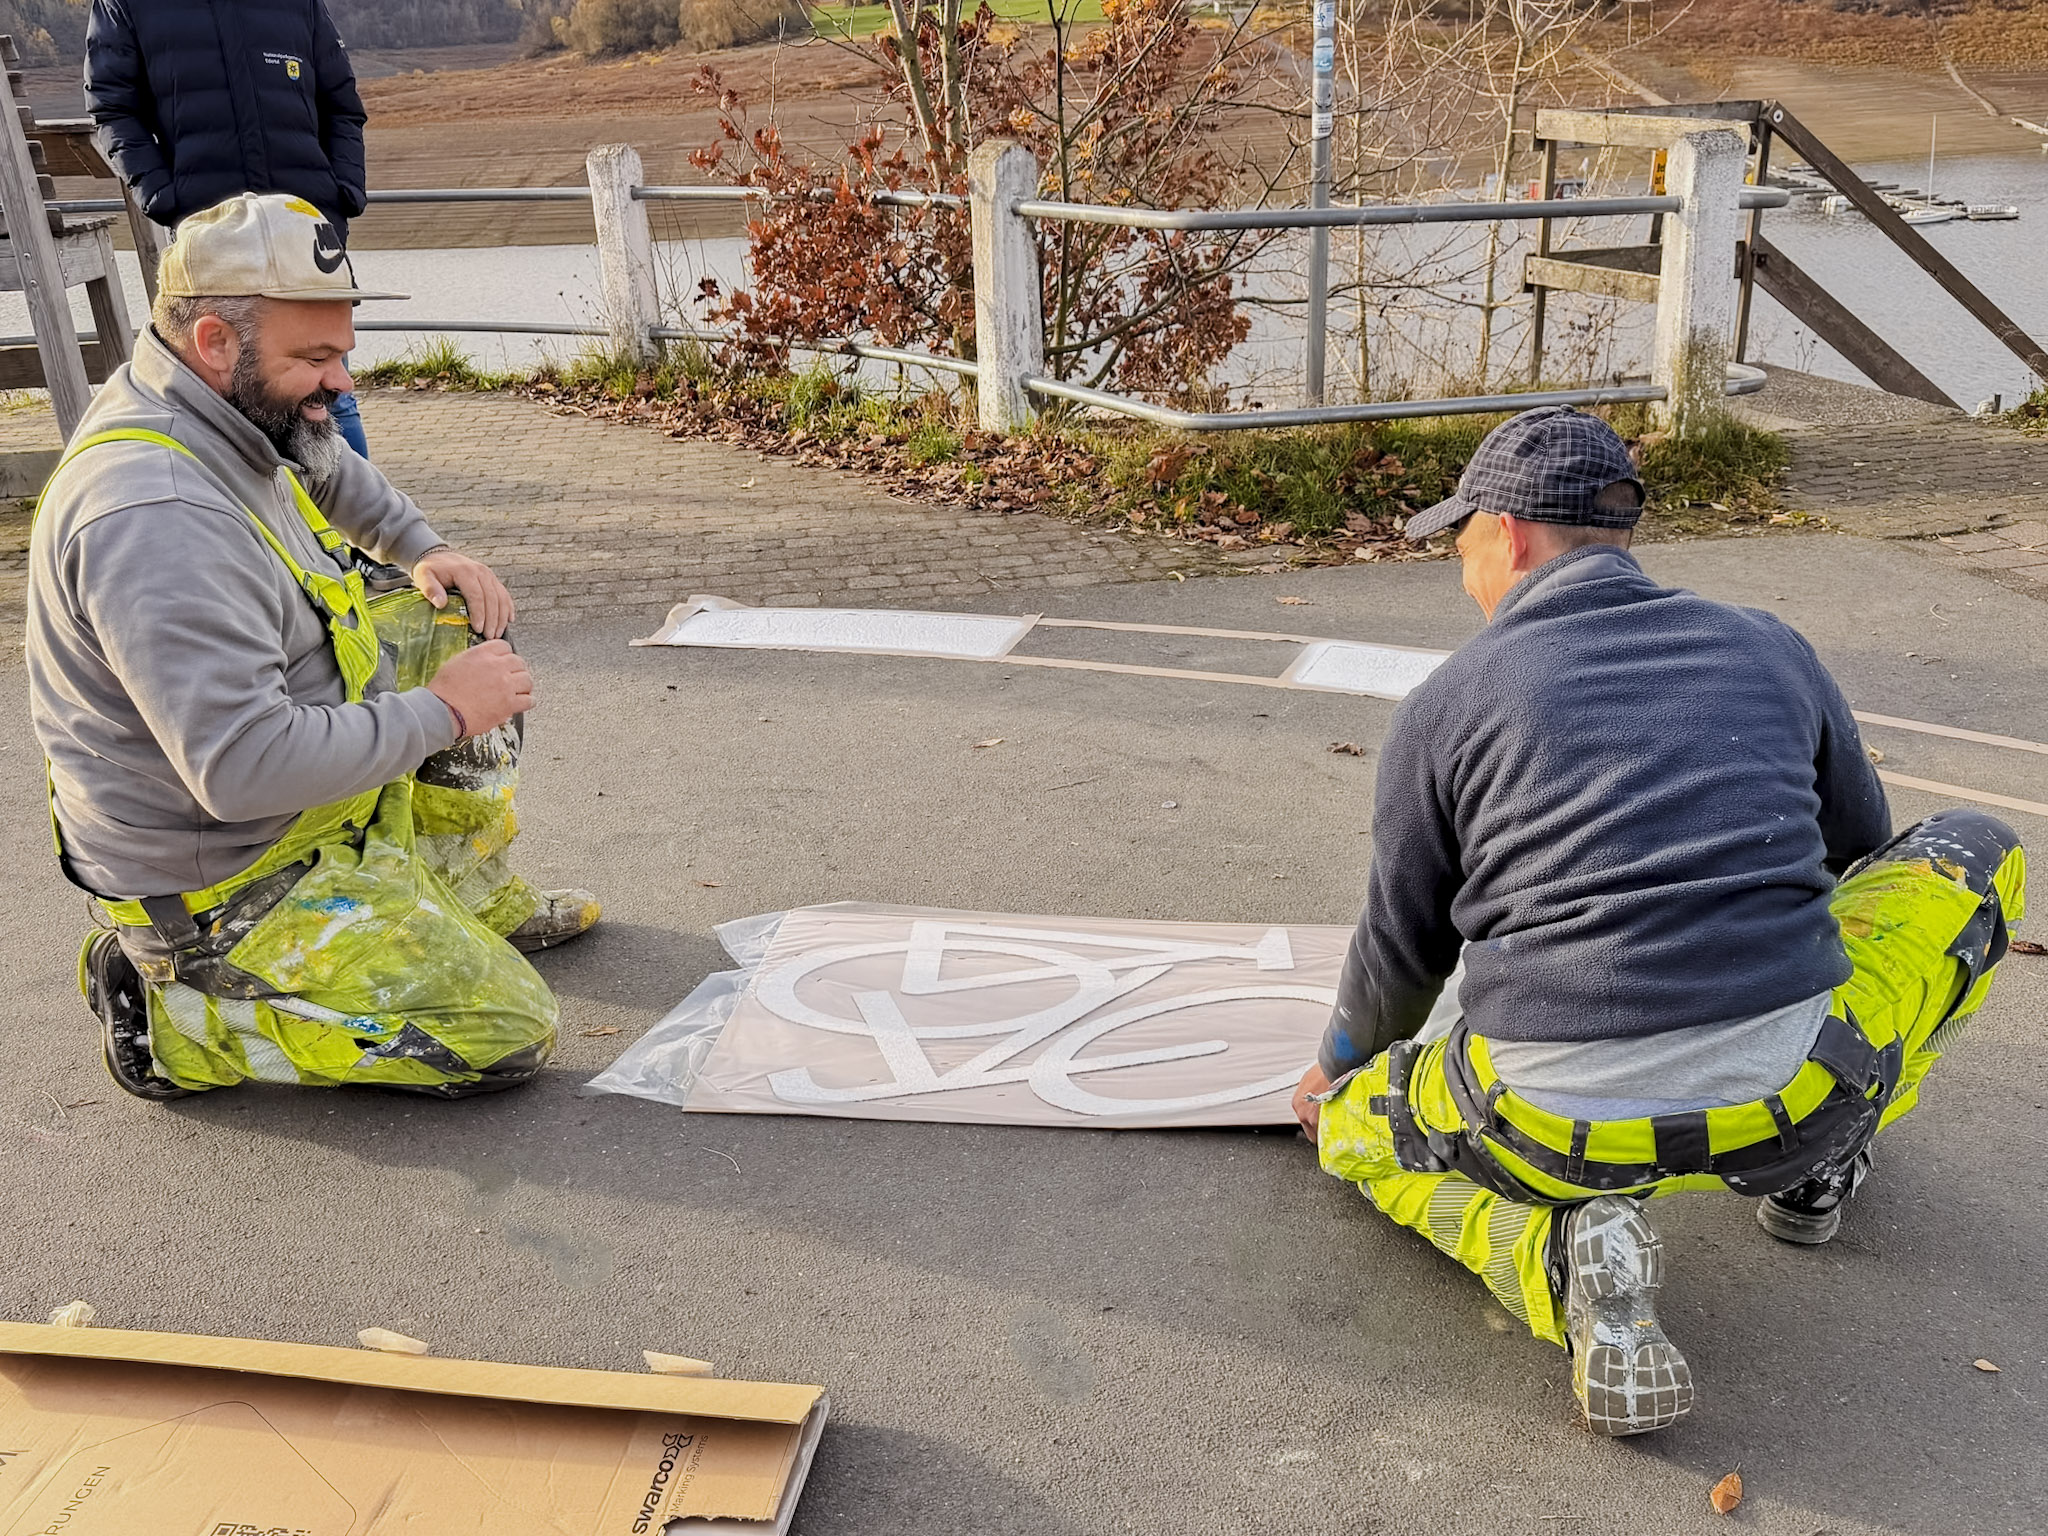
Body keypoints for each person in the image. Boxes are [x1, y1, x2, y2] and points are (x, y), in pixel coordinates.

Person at [1291, 406, 2027, 1437]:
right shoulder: (1768, 647)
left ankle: (1553, 1261)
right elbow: (1858, 850)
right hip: (1793, 1094)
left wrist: (1337, 1073)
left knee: (1358, 1141)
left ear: (1505, 533)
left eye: (1459, 540)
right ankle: (1823, 1169)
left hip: (1543, 1122)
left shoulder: (1443, 703)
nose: (1461, 568)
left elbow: (1399, 955)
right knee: (1974, 849)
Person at [28, 193, 601, 1102]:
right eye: (318, 358)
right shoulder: (156, 518)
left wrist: (425, 549)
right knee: (500, 1034)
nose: (343, 382)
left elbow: (330, 467)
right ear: (217, 340)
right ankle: (176, 1013)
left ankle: (463, 888)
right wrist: (445, 710)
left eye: (343, 351)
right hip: (224, 871)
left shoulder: (225, 405)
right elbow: (243, 766)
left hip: (283, 797)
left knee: (459, 616)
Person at [85, 0, 374, 458]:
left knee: (326, 390)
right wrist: (163, 196)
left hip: (308, 227)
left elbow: (342, 107)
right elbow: (113, 108)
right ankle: (242, 523)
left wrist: (341, 196)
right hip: (211, 235)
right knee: (220, 391)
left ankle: (346, 527)